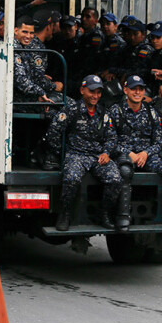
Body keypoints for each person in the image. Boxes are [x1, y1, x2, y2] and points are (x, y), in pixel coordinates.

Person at [111, 75, 162, 231]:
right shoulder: (116, 111)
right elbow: (109, 142)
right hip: (124, 156)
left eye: (140, 89)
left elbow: (158, 142)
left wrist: (145, 153)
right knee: (124, 171)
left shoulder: (151, 112)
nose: (137, 92)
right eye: (134, 89)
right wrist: (130, 153)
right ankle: (123, 216)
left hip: (146, 157)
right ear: (126, 90)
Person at [46, 75, 122, 231]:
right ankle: (65, 214)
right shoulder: (72, 109)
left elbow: (112, 137)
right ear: (82, 90)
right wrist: (62, 153)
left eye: (99, 92)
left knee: (115, 178)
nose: (95, 96)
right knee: (71, 178)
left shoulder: (104, 113)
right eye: (92, 91)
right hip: (76, 154)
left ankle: (104, 214)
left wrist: (107, 153)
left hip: (97, 156)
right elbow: (53, 131)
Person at [13, 15, 56, 108]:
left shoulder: (23, 48)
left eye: (31, 33)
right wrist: (40, 92)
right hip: (20, 101)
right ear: (16, 31)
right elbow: (21, 80)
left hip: (28, 97)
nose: (28, 36)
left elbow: (32, 72)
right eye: (25, 32)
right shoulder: (14, 49)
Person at [104, 15, 154, 83]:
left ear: (143, 34)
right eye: (130, 34)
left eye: (135, 34)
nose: (132, 37)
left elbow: (140, 70)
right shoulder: (129, 47)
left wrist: (123, 74)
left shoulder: (145, 49)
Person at [28, 14, 63, 95]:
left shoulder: (31, 43)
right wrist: (54, 86)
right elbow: (37, 79)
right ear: (48, 27)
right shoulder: (37, 47)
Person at [75, 7, 104, 79]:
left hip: (92, 75)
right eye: (82, 16)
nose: (83, 19)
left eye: (88, 17)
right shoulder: (83, 37)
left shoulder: (96, 36)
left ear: (95, 21)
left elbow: (93, 58)